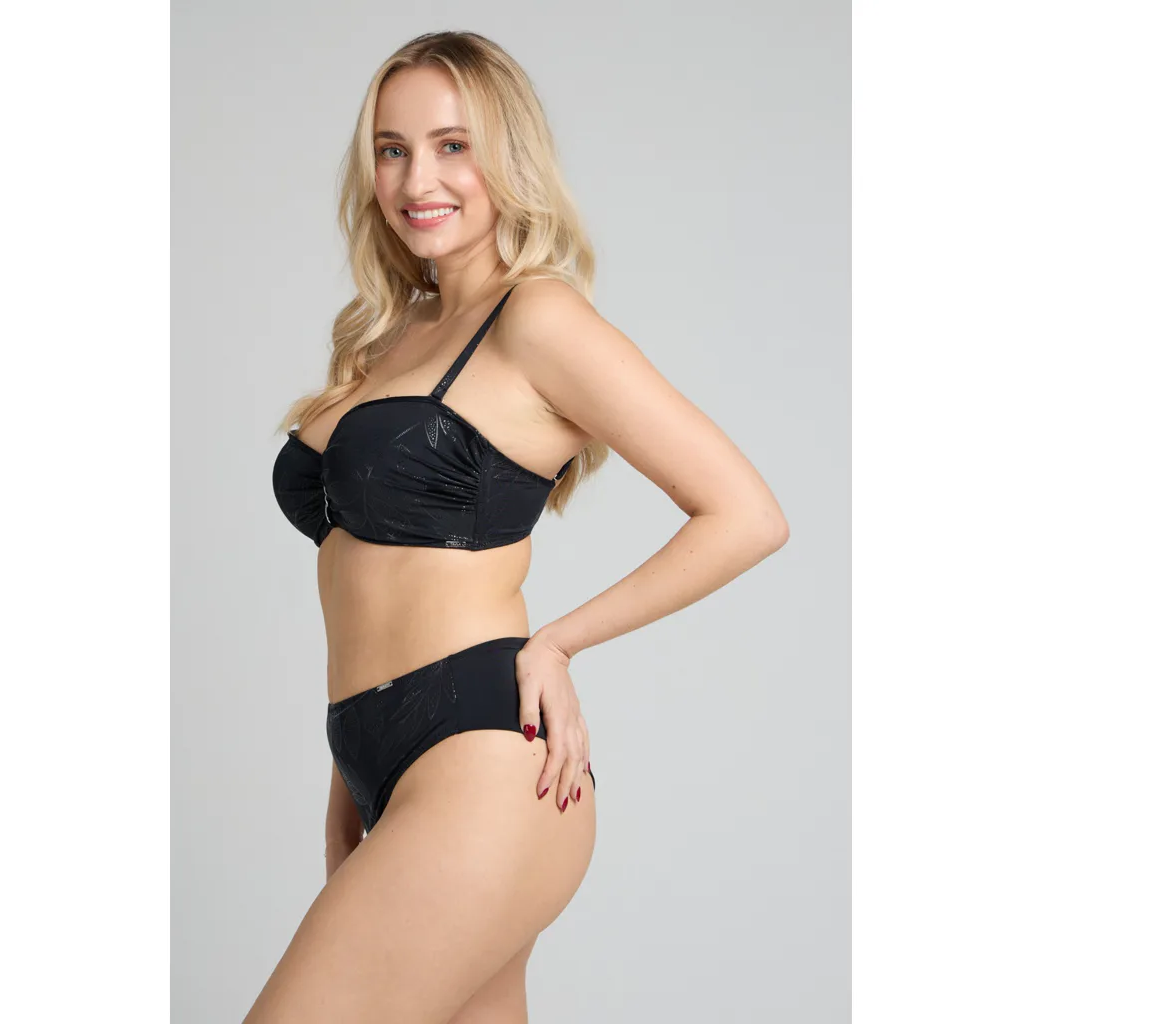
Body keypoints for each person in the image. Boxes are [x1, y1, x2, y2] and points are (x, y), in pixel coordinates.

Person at [250, 30, 789, 1024]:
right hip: (378, 763)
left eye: (453, 146)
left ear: (509, 156)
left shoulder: (536, 318)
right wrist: (349, 798)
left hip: (481, 762)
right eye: (392, 148)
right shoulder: (391, 336)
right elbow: (365, 586)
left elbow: (746, 514)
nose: (418, 178)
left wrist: (558, 642)